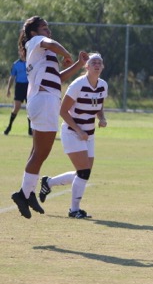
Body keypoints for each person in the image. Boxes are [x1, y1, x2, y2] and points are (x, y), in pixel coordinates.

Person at [11, 16, 88, 219]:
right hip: (44, 101)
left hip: (43, 100)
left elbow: (59, 77)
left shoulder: (41, 53)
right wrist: (67, 53)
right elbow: (50, 43)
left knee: (37, 152)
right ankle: (23, 194)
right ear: (34, 33)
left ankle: (27, 193)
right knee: (40, 154)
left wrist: (78, 64)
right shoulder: (35, 42)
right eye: (44, 28)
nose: (49, 31)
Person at [39, 53, 108, 219]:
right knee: (83, 172)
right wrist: (78, 130)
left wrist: (102, 118)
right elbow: (63, 111)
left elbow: (98, 105)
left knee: (83, 172)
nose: (97, 64)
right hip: (72, 132)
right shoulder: (78, 84)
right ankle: (74, 209)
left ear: (102, 67)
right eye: (93, 62)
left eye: (100, 62)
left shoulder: (103, 85)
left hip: (88, 135)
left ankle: (48, 182)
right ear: (87, 67)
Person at [4, 48, 31, 136]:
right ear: (19, 52)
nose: (22, 53)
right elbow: (12, 77)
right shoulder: (16, 64)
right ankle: (9, 127)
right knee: (17, 107)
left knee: (30, 108)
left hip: (29, 86)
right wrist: (8, 89)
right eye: (20, 51)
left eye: (23, 51)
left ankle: (30, 130)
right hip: (19, 86)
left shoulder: (30, 62)